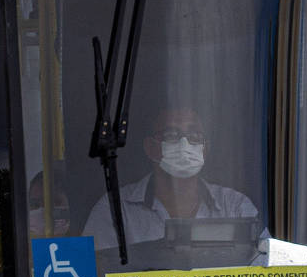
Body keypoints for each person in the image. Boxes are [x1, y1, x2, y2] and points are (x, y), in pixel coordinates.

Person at [81, 104, 264, 262]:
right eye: (171, 134)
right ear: (150, 147)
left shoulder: (236, 207)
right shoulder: (115, 210)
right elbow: (93, 274)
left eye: (194, 136)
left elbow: (268, 266)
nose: (184, 144)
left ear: (205, 149)